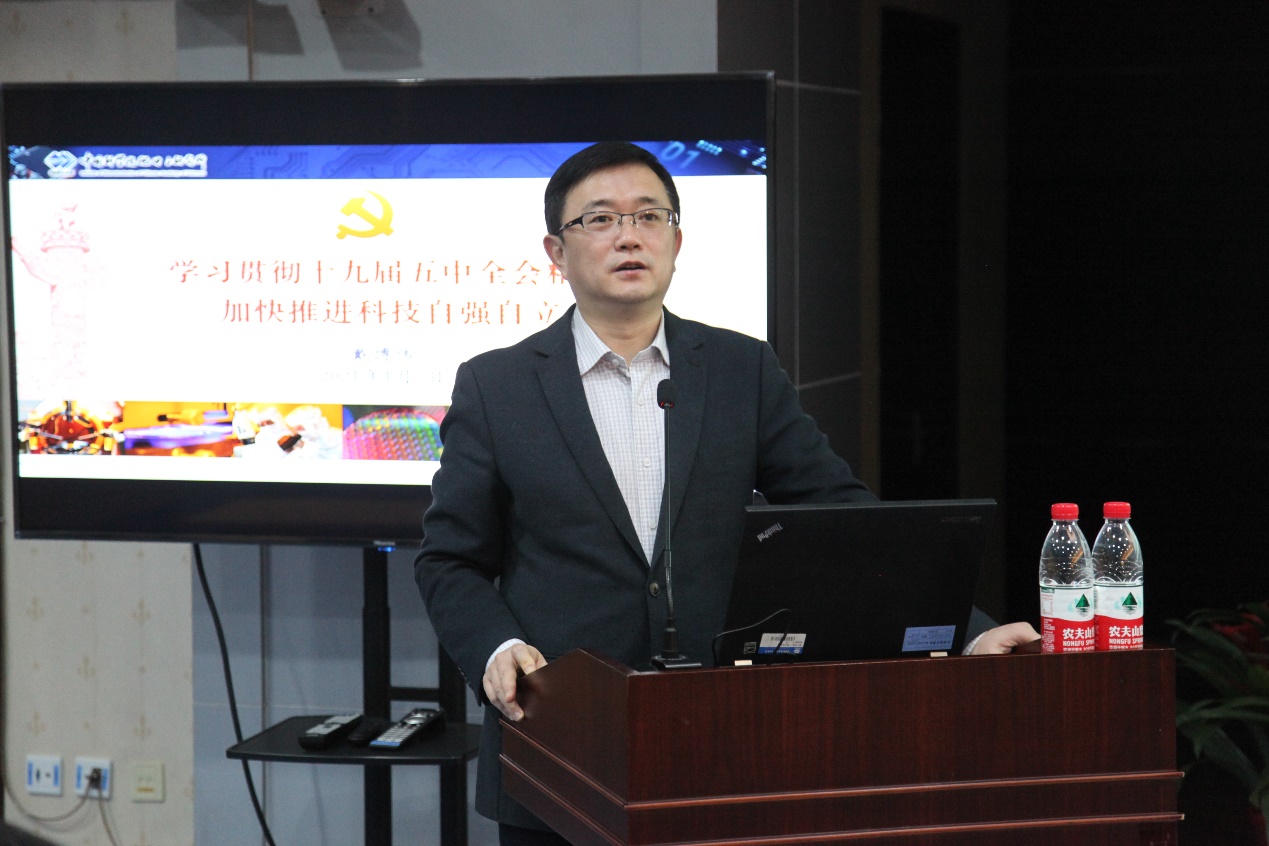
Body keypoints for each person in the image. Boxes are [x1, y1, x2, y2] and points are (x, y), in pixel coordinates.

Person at [414, 141, 1037, 844]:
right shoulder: (496, 386)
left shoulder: (741, 369)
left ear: (676, 241)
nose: (628, 235)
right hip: (561, 740)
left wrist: (968, 630)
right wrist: (495, 647)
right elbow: (450, 560)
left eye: (648, 216)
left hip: (725, 741)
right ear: (556, 252)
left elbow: (843, 521)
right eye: (600, 219)